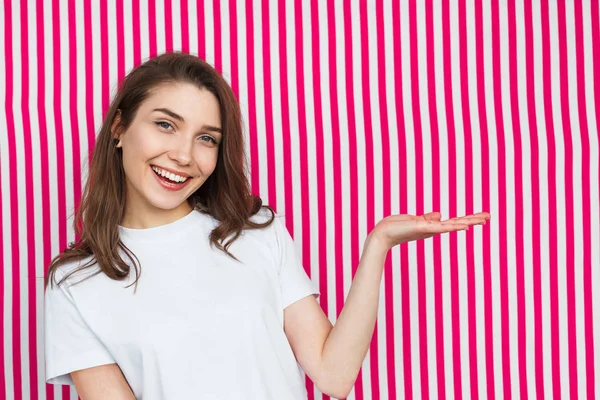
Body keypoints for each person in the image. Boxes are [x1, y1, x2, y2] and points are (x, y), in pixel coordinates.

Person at [44, 51, 490, 400]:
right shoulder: (74, 282)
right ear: (119, 128)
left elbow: (333, 375)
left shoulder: (254, 231)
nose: (184, 155)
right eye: (165, 125)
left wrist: (377, 247)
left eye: (206, 139)